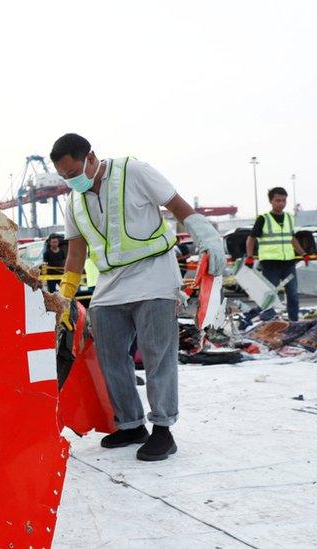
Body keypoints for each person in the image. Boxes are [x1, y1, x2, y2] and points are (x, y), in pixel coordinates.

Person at [50, 133, 224, 462]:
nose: (71, 181)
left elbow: (176, 205)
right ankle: (131, 424)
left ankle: (162, 430)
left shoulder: (134, 171)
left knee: (158, 354)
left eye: (73, 173)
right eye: (64, 177)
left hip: (154, 273)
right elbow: (76, 252)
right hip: (110, 282)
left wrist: (207, 235)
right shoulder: (74, 201)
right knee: (110, 355)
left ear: (90, 157)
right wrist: (64, 298)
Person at [245, 187, 307, 321]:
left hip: (289, 263)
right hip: (270, 264)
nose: (281, 203)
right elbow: (251, 238)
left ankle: (293, 322)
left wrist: (303, 253)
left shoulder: (289, 218)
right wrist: (249, 257)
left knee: (293, 295)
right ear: (271, 201)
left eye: (284, 200)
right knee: (269, 296)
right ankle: (268, 322)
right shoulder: (263, 218)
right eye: (278, 200)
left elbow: (292, 238)